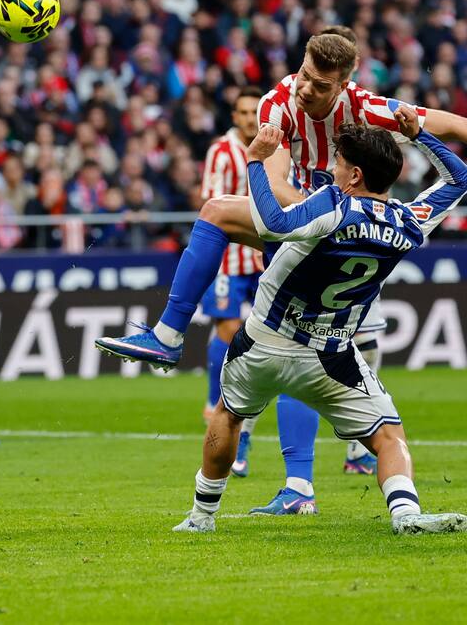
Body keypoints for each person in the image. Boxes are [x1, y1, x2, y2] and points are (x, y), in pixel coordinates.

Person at [96, 30, 467, 512]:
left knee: (227, 233)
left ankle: (171, 339)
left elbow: (456, 122)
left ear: (345, 83)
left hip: (330, 229)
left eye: (320, 84)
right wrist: (320, 220)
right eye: (305, 75)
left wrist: (327, 219)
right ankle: (305, 484)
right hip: (322, 226)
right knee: (299, 340)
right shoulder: (280, 102)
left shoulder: (368, 107)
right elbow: (277, 196)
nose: (305, 89)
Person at [174, 110, 467, 536]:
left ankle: (201, 517)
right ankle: (405, 515)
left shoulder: (333, 205)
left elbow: (274, 223)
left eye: (339, 162)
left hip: (266, 341)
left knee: (229, 415)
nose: (331, 168)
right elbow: (459, 179)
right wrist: (421, 135)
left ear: (355, 175)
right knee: (388, 436)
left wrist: (255, 161)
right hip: (332, 354)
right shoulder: (409, 221)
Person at [198, 88, 263, 477]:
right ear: (234, 115)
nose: (250, 118)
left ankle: (235, 412)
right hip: (228, 256)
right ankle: (213, 402)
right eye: (242, 112)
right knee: (228, 329)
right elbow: (210, 202)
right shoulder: (221, 152)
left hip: (262, 255)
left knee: (261, 333)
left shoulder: (274, 145)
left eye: (255, 111)